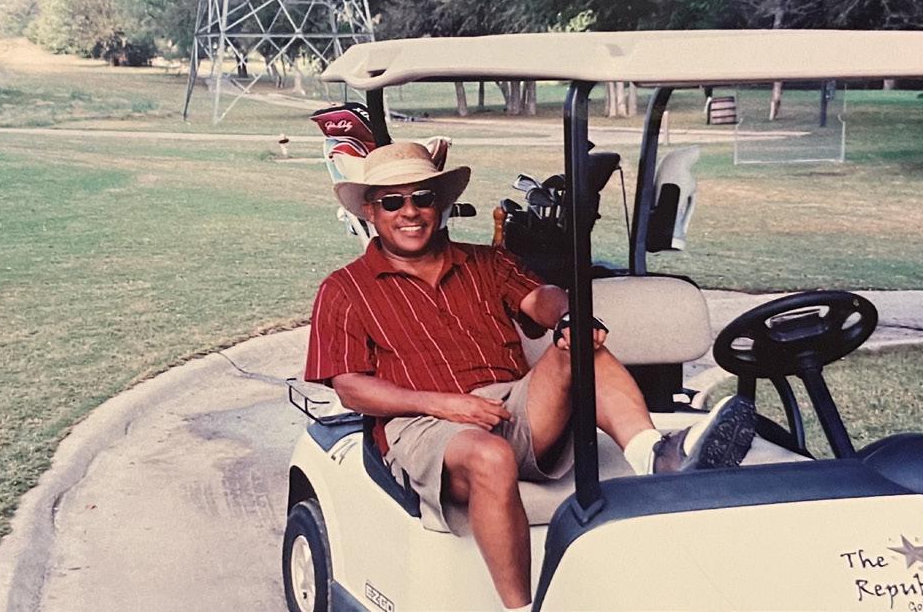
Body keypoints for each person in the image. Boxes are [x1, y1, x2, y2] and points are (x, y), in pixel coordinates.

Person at [304, 142, 756, 612]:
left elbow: (540, 297)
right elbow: (350, 386)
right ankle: (521, 609)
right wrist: (445, 404)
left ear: (440, 204)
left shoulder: (486, 262)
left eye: (423, 197)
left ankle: (653, 456)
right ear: (370, 211)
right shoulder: (344, 289)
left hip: (513, 405)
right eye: (393, 202)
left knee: (579, 345)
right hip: (425, 424)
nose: (410, 212)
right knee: (491, 456)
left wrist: (567, 318)